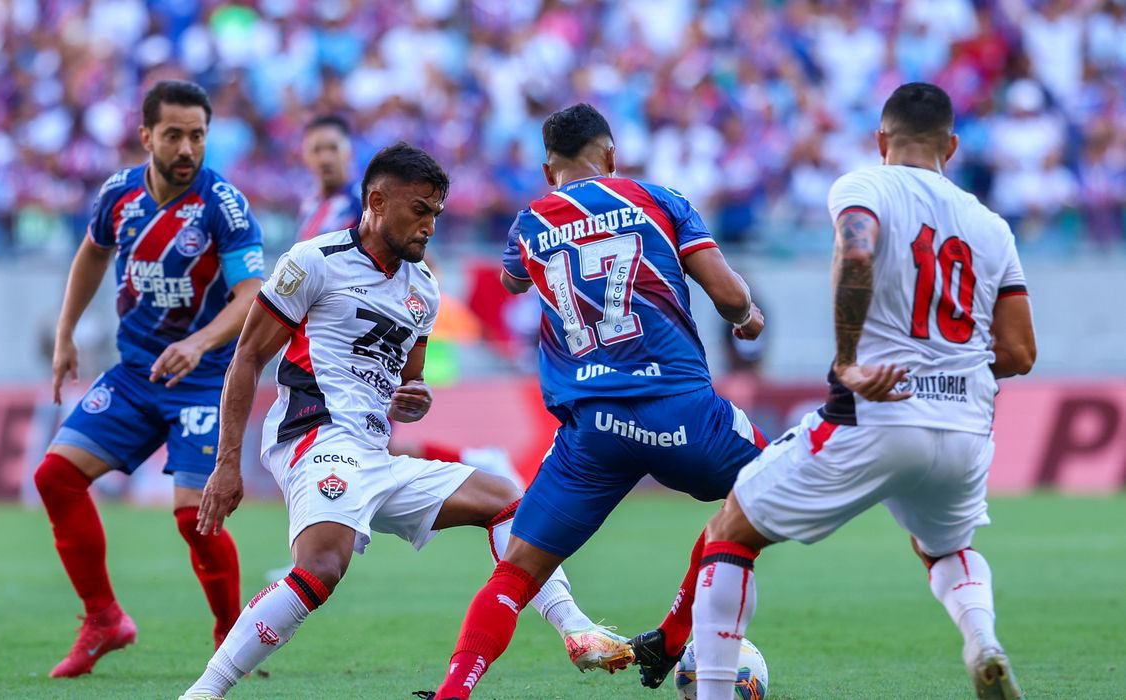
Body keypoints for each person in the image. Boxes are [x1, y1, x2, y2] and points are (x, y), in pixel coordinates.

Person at [178, 142, 630, 700]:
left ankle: (576, 629)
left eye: (437, 213)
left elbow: (405, 384)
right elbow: (246, 357)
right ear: (376, 201)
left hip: (374, 453)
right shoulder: (312, 262)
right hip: (315, 436)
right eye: (419, 209)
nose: (429, 226)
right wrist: (227, 463)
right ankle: (204, 692)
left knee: (510, 499)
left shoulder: (423, 289)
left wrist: (410, 397)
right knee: (321, 566)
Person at [685, 83, 1034, 700]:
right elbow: (1019, 353)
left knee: (729, 532)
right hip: (965, 427)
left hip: (878, 407)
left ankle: (712, 691)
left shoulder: (865, 186)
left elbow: (857, 250)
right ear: (952, 146)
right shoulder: (991, 225)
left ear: (881, 141)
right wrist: (948, 369)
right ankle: (983, 642)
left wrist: (848, 359)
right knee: (947, 545)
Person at [427, 103, 767, 700]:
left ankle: (453, 692)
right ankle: (676, 631)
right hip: (682, 412)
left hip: (594, 428)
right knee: (761, 496)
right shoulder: (658, 199)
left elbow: (511, 280)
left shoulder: (530, 222)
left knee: (516, 573)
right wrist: (747, 315)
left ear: (546, 168)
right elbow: (728, 293)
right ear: (611, 154)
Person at [34, 80, 266, 678]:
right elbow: (91, 254)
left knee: (196, 517)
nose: (187, 147)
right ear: (147, 137)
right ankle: (104, 618)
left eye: (197, 135)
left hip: (205, 378)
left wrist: (197, 342)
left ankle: (230, 635)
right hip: (137, 372)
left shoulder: (224, 206)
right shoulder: (118, 194)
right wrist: (65, 333)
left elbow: (250, 297)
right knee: (56, 477)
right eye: (174, 135)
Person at [295, 114, 363, 242]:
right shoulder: (308, 205)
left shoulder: (364, 203)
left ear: (350, 152)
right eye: (316, 150)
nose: (325, 159)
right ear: (305, 156)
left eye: (333, 148)